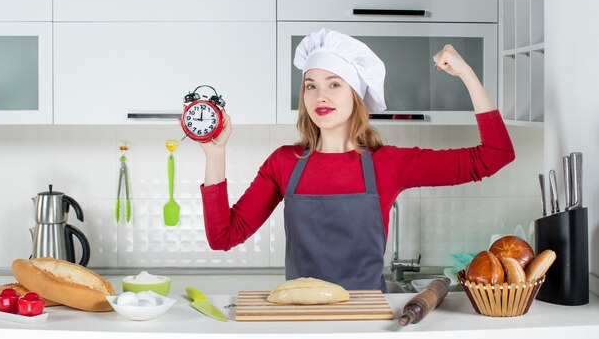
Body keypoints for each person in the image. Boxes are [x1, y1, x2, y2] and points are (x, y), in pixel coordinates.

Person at [198, 29, 515, 293]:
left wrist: (466, 73)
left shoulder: (388, 163)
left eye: (334, 84)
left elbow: (495, 155)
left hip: (368, 320)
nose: (320, 96)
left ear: (356, 96)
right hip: (303, 321)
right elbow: (223, 236)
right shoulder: (283, 162)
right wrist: (216, 154)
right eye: (311, 86)